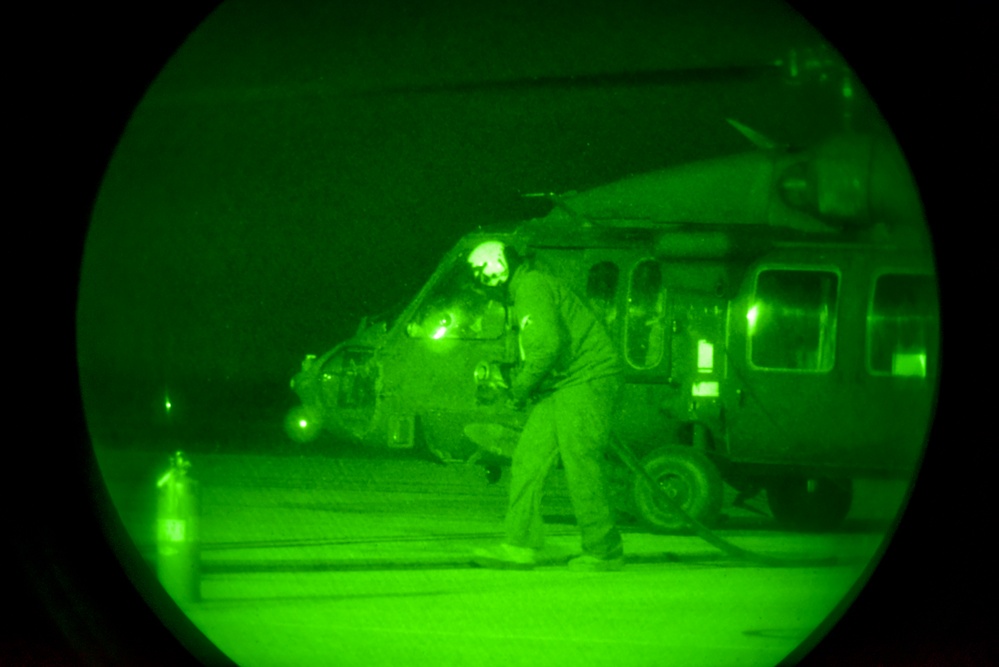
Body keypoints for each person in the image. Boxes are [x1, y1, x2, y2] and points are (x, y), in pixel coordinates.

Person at [467, 240, 625, 572]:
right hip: (562, 384)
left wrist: (518, 392)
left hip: (587, 379)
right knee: (528, 459)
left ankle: (604, 551)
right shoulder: (526, 289)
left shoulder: (531, 287)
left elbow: (545, 348)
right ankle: (520, 545)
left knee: (580, 461)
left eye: (484, 275)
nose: (485, 285)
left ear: (498, 267)